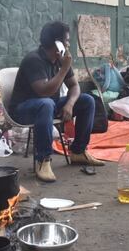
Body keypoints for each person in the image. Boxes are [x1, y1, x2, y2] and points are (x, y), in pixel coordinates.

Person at [10, 21, 104, 182]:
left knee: (87, 100)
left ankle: (78, 151)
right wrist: (63, 69)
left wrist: (69, 104)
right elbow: (44, 91)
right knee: (46, 103)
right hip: (23, 110)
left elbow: (74, 86)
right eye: (66, 40)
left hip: (47, 107)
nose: (68, 44)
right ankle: (43, 159)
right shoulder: (34, 60)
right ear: (56, 43)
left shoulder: (60, 59)